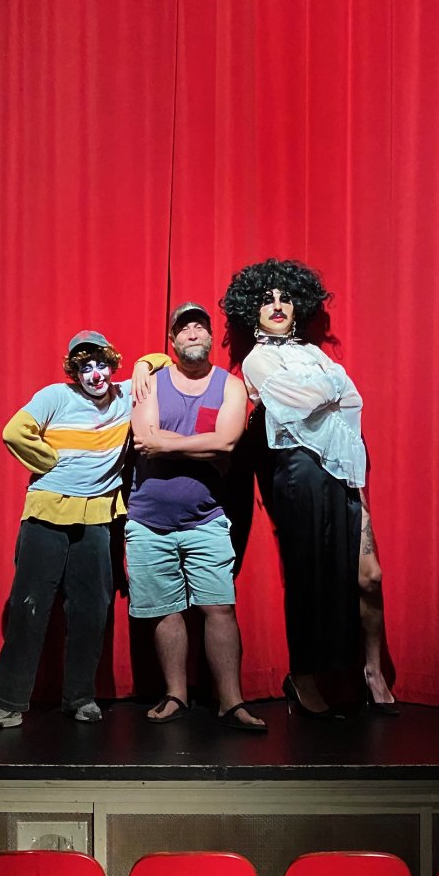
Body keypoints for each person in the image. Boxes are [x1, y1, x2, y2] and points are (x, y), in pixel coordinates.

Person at [0, 331, 166, 732]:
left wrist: (144, 363)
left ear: (113, 364)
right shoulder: (55, 396)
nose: (95, 375)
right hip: (46, 515)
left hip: (96, 520)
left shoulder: (126, 395)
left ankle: (80, 697)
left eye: (101, 364)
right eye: (85, 367)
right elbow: (13, 431)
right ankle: (5, 703)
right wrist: (48, 460)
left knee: (92, 610)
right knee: (29, 607)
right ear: (75, 371)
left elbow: (164, 361)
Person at [221, 259, 397, 716]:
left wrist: (328, 386)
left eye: (285, 298)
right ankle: (302, 676)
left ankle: (372, 670)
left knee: (368, 576)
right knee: (307, 578)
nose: (277, 306)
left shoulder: (316, 355)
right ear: (251, 311)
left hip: (343, 470)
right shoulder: (257, 359)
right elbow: (298, 404)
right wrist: (329, 387)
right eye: (266, 300)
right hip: (298, 472)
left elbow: (353, 401)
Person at [127, 302, 267, 732]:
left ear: (210, 339)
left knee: (219, 608)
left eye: (200, 327)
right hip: (148, 520)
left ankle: (231, 702)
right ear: (172, 341)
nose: (192, 332)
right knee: (166, 612)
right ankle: (176, 695)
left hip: (207, 519)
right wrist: (201, 445)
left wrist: (168, 445)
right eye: (184, 327)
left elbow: (227, 444)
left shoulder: (231, 386)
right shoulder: (151, 381)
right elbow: (142, 438)